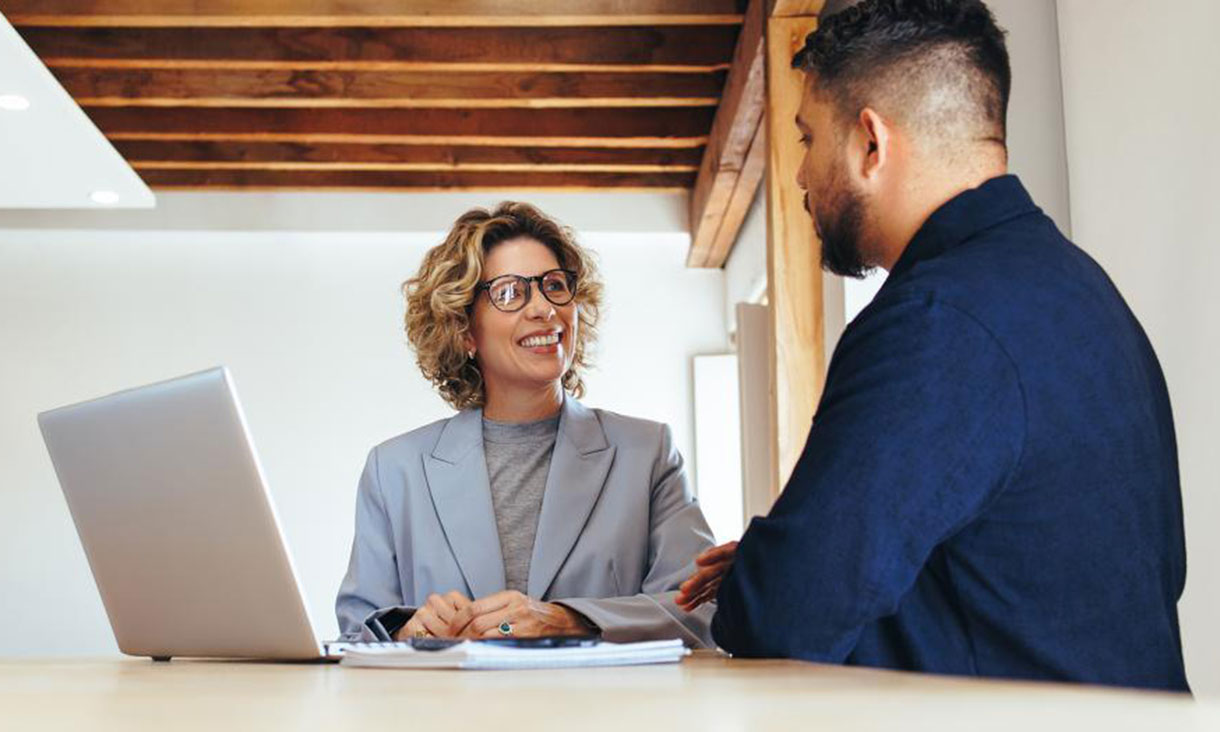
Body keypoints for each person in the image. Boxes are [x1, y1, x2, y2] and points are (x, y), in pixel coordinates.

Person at [677, 0, 1189, 691]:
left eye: (805, 139)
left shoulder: (933, 320)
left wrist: (768, 569)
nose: (799, 175)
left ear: (869, 144)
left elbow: (785, 614)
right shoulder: (1082, 289)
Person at [336, 201, 715, 646]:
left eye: (554, 286)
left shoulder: (648, 452)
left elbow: (703, 612)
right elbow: (356, 633)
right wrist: (407, 630)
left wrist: (573, 619)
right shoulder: (393, 470)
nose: (543, 308)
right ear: (464, 330)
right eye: (511, 292)